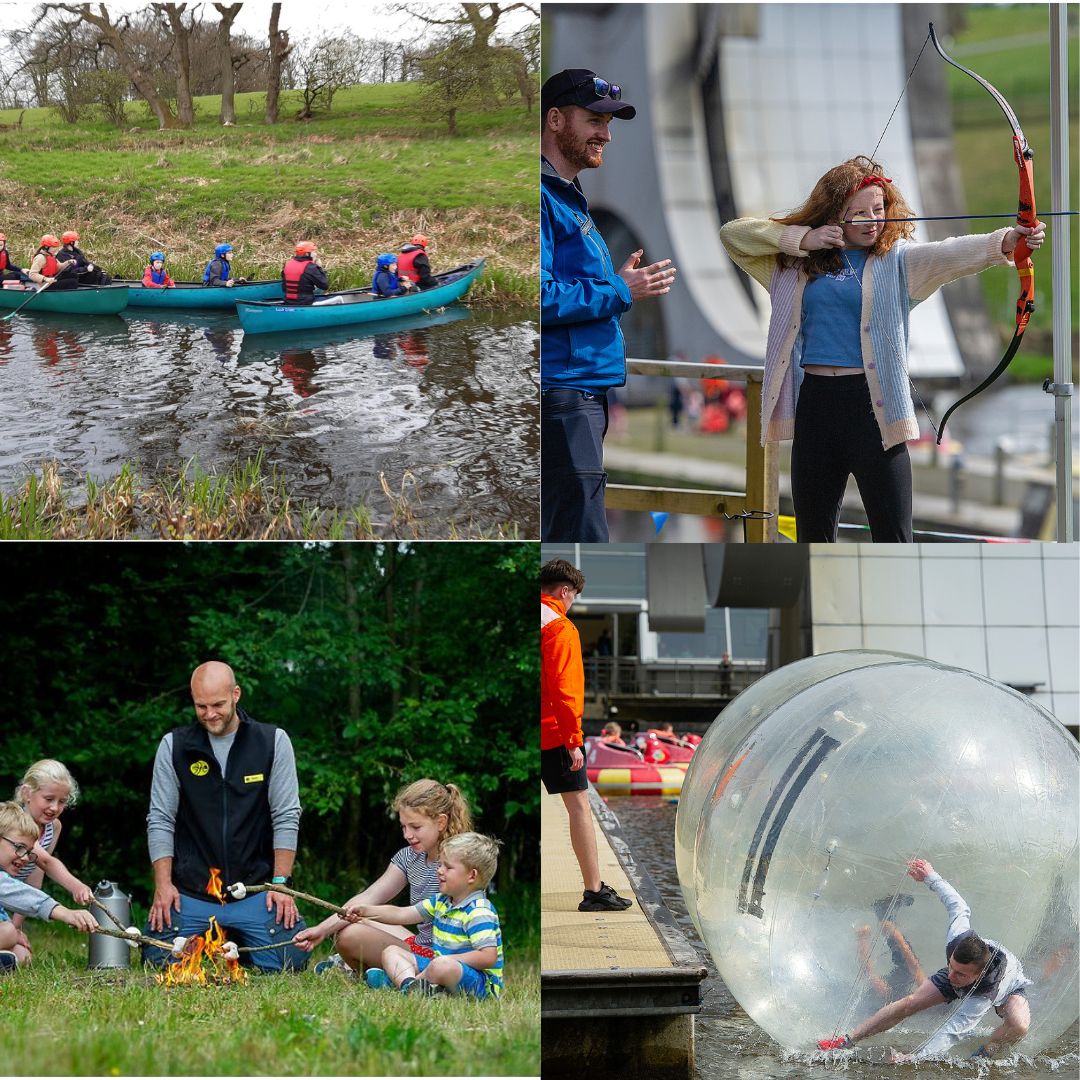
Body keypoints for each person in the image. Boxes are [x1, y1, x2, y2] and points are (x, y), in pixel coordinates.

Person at [718, 157, 1045, 543]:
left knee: (893, 539)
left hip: (874, 411)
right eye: (858, 213)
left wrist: (1008, 241)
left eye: (878, 209)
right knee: (813, 539)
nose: (873, 220)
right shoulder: (793, 265)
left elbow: (950, 254)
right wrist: (803, 239)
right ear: (832, 217)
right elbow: (734, 235)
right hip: (817, 407)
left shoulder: (899, 261)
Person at [540, 68, 678, 542]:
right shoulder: (539, 198)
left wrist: (617, 283)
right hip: (563, 395)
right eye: (594, 120)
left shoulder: (568, 197)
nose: (606, 134)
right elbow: (535, 298)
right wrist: (622, 290)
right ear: (555, 120)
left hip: (582, 394)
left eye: (610, 122)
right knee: (583, 538)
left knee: (570, 527)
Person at [143, 660, 309, 972]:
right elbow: (160, 818)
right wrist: (163, 886)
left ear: (236, 694)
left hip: (255, 890)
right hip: (192, 892)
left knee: (291, 960)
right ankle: (216, 942)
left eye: (218, 704)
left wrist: (280, 884)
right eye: (200, 706)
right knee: (157, 959)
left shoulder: (272, 741)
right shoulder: (175, 746)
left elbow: (286, 815)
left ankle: (231, 942)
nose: (210, 714)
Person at [818, 859, 1032, 1061]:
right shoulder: (958, 938)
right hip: (975, 968)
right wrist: (930, 875)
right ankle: (846, 1040)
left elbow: (951, 1032)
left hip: (1009, 988)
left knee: (1019, 1025)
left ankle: (982, 1055)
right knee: (909, 1003)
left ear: (978, 976)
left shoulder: (983, 995)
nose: (950, 976)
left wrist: (914, 1058)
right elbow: (958, 905)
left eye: (959, 973)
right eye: (950, 967)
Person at [294, 778, 472, 978]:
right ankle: (384, 970)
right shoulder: (408, 857)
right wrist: (322, 930)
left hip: (445, 957)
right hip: (421, 946)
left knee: (349, 936)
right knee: (359, 921)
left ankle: (383, 972)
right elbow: (369, 897)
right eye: (403, 827)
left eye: (415, 827)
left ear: (441, 822)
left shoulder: (458, 863)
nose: (407, 834)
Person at [541, 558, 632, 912]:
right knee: (579, 806)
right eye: (574, 597)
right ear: (564, 591)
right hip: (553, 732)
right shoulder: (560, 627)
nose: (572, 603)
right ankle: (594, 891)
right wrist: (574, 740)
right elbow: (564, 691)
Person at [348, 832, 503, 999]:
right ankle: (410, 986)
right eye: (440, 865)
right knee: (392, 951)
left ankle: (401, 984)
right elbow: (401, 914)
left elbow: (488, 957)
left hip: (480, 983)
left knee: (441, 965)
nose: (439, 871)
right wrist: (366, 911)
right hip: (440, 966)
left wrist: (445, 961)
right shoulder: (441, 901)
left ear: (471, 875)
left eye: (448, 867)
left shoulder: (479, 911)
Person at [1, 760, 93, 965]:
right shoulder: (11, 824)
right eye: (49, 799)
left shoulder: (53, 827)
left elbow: (32, 882)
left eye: (62, 801)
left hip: (10, 901)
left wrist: (17, 927)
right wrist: (75, 887)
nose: (55, 807)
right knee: (6, 933)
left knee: (23, 956)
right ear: (27, 793)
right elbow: (45, 861)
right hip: (6, 895)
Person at [282, 242, 329, 306]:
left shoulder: (287, 264)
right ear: (307, 254)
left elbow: (284, 287)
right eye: (313, 251)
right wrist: (319, 267)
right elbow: (325, 285)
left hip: (288, 302)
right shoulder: (311, 267)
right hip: (305, 303)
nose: (316, 254)